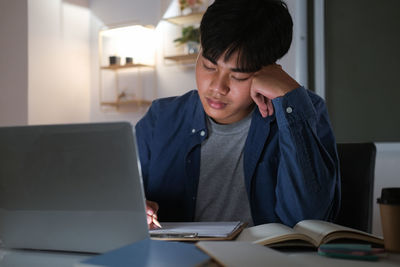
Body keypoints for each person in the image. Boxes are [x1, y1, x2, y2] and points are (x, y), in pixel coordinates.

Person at [136, 0, 340, 229]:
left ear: (268, 71)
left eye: (239, 76)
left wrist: (289, 98)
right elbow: (120, 196)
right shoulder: (161, 118)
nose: (217, 87)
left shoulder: (305, 110)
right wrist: (134, 209)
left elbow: (309, 222)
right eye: (209, 66)